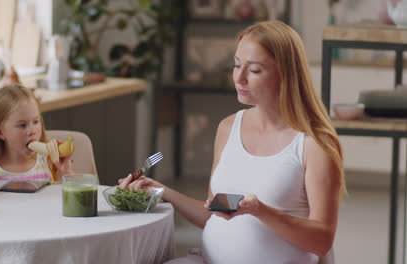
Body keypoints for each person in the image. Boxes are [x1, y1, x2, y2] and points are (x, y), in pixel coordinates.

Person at [119, 20, 344, 264]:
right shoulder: (228, 127)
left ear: (287, 75)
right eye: (237, 65)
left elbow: (322, 242)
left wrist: (261, 211)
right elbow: (212, 214)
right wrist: (162, 192)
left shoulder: (315, 143)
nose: (240, 77)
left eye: (255, 70)